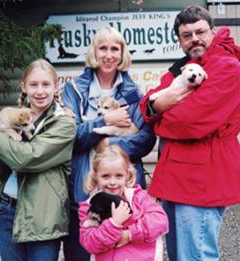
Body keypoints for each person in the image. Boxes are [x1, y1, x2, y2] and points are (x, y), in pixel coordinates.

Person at [139, 5, 240, 261]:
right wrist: (156, 106)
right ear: (179, 40)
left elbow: (190, 121)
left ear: (212, 32)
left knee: (196, 255)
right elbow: (145, 104)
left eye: (200, 31)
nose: (194, 39)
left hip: (203, 178)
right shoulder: (183, 66)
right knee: (179, 255)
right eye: (186, 35)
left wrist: (158, 116)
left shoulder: (226, 68)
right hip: (177, 176)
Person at [61, 26, 156, 260]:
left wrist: (110, 146)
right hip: (84, 186)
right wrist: (105, 121)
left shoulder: (133, 93)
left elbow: (145, 139)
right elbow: (68, 137)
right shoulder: (73, 90)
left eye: (115, 48)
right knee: (83, 251)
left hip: (121, 189)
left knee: (122, 253)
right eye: (103, 48)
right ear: (94, 51)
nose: (109, 55)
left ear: (122, 53)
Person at [0, 59, 76, 261]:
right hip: (7, 209)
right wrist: (3, 137)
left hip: (43, 215)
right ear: (24, 86)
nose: (40, 91)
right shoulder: (16, 117)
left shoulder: (64, 123)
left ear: (56, 86)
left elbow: (26, 159)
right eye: (34, 85)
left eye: (46, 84)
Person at [79, 145, 168, 261]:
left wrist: (129, 234)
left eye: (119, 176)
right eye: (105, 176)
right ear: (95, 176)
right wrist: (114, 224)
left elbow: (160, 221)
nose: (112, 182)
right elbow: (90, 243)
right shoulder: (89, 206)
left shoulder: (139, 197)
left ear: (127, 175)